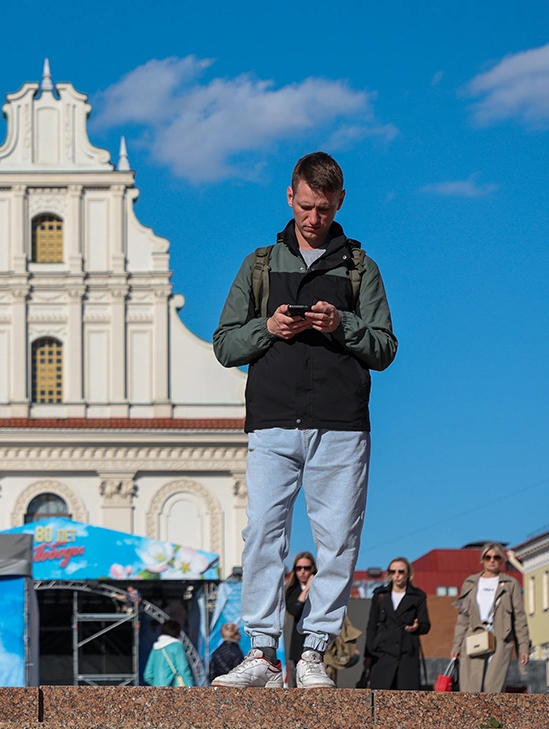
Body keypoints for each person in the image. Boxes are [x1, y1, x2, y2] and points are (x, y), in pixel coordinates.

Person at [211, 152, 397, 689]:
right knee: (262, 534)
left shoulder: (361, 266)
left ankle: (314, 651)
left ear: (339, 202)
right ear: (289, 197)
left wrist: (342, 325)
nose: (313, 217)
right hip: (272, 420)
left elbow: (384, 348)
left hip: (341, 423)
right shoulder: (260, 264)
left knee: (337, 539)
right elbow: (225, 344)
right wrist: (268, 327)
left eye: (323, 207)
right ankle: (263, 653)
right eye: (305, 205)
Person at [451, 543, 530, 693]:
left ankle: (491, 717)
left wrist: (524, 647)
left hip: (500, 638)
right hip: (474, 636)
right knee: (471, 687)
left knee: (493, 687)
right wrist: (456, 646)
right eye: (488, 557)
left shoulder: (510, 584)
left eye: (496, 557)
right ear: (482, 560)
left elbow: (519, 618)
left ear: (501, 560)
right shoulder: (470, 583)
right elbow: (463, 617)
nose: (492, 560)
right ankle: (472, 716)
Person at [364, 557, 430, 689]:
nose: (397, 575)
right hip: (382, 655)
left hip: (406, 656)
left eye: (401, 571)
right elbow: (371, 626)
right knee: (380, 700)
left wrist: (416, 628)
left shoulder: (418, 596)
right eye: (392, 571)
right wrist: (370, 653)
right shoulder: (380, 595)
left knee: (406, 701)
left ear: (409, 573)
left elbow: (425, 625)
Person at [283, 552, 316, 687]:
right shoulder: (292, 590)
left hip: (316, 647)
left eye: (306, 568)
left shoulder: (321, 589)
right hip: (297, 648)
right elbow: (294, 610)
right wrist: (307, 589)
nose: (303, 572)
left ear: (313, 569)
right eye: (299, 568)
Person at [145, 619, 193, 686]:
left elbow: (147, 675)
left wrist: (158, 686)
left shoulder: (155, 648)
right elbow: (183, 670)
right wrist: (191, 688)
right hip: (175, 691)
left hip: (158, 692)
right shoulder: (177, 646)